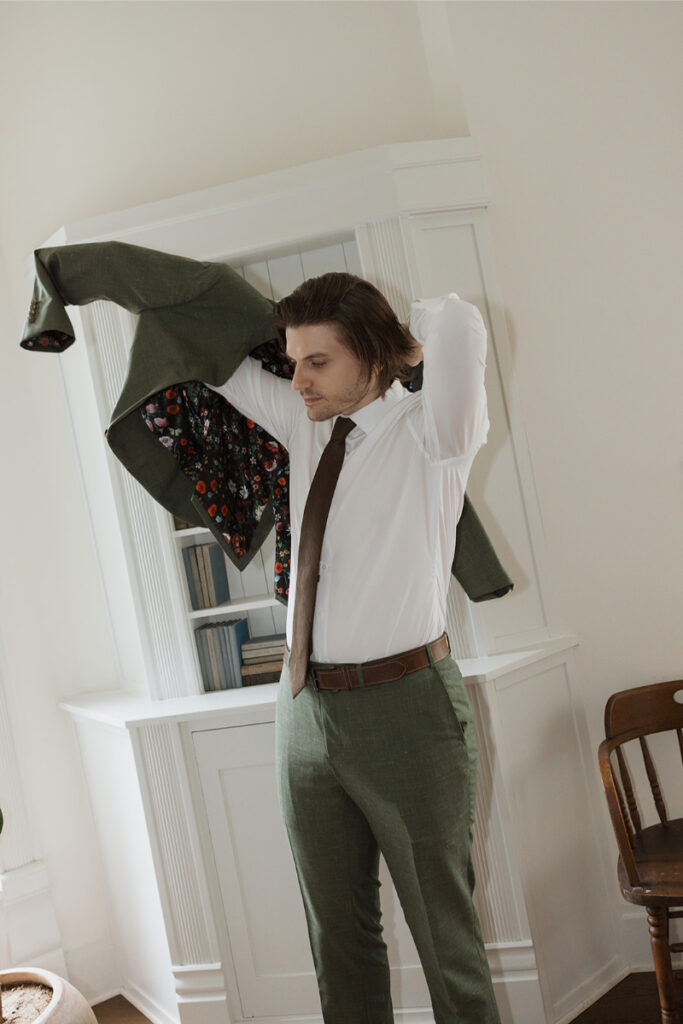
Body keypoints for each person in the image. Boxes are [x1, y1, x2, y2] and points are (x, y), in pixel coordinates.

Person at [203, 272, 501, 1024]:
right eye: (292, 358)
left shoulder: (434, 433)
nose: (295, 377)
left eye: (317, 361)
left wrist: (406, 333)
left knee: (445, 936)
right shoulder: (304, 418)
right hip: (301, 710)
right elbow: (212, 354)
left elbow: (458, 325)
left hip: (406, 711)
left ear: (374, 356)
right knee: (336, 934)